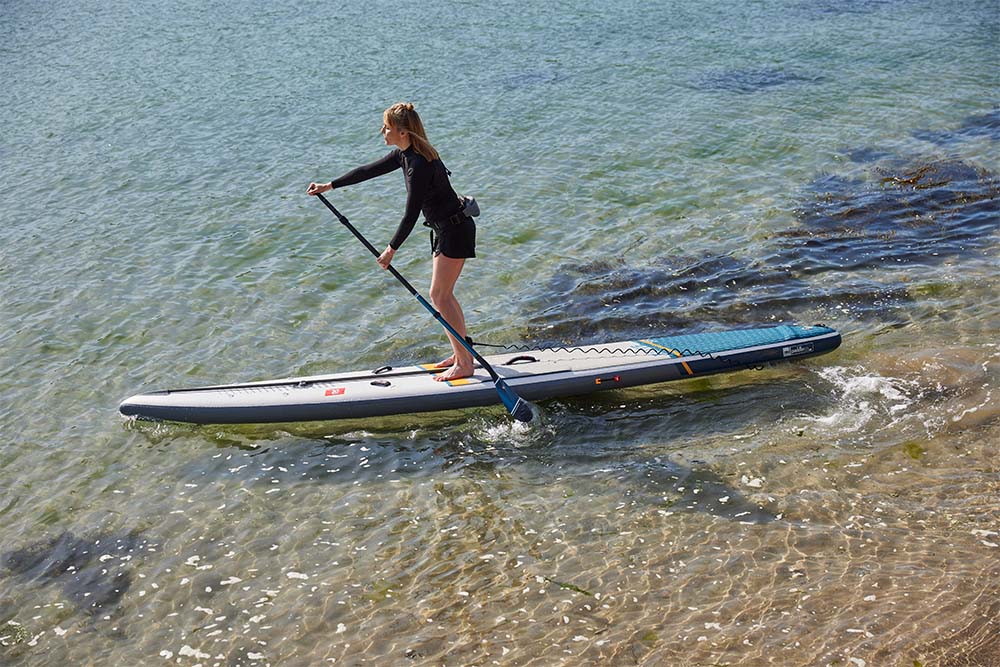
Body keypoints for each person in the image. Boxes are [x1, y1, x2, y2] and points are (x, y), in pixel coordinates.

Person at [307, 102, 477, 381]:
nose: (382, 131)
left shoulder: (419, 164)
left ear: (402, 131)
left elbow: (411, 213)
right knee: (443, 295)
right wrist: (330, 185)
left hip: (455, 230)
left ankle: (465, 364)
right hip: (447, 229)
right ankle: (461, 355)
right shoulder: (406, 155)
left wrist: (391, 250)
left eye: (386, 127)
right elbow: (366, 171)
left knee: (439, 295)